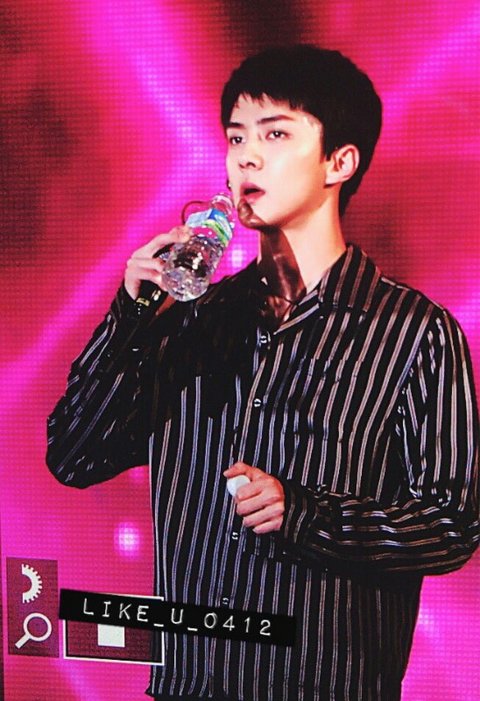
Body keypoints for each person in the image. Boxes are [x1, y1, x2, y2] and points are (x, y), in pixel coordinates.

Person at [47, 45, 479, 701]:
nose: (246, 156)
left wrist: (304, 514)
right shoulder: (195, 321)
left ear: (340, 162)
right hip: (189, 687)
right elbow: (74, 457)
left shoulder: (414, 333)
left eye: (275, 134)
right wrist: (129, 318)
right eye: (236, 137)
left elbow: (450, 525)